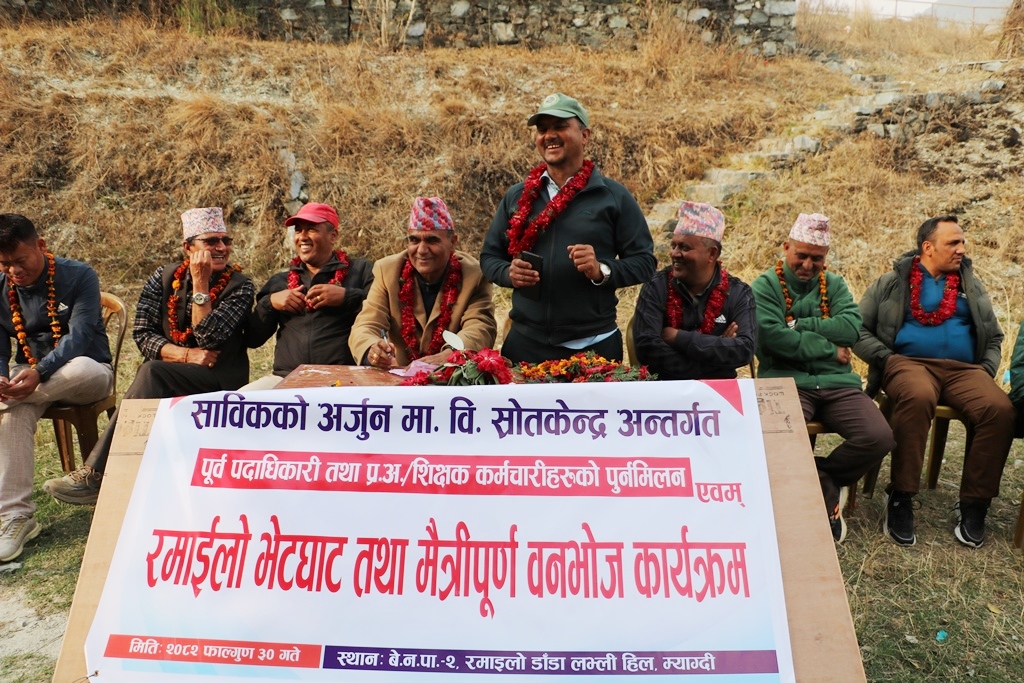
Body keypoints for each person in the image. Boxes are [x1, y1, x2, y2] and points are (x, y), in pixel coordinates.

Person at [43, 207, 254, 505]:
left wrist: (201, 284)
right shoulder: (163, 276)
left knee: (152, 372)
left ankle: (95, 473)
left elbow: (209, 337)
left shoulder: (240, 286)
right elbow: (143, 334)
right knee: (152, 371)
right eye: (211, 241)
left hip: (218, 376)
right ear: (188, 248)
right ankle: (115, 477)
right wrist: (185, 355)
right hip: (170, 370)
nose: (221, 248)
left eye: (225, 241)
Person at [855, 215, 1014, 548]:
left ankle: (974, 503)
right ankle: (901, 496)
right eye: (953, 243)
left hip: (965, 370)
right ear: (928, 247)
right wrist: (886, 359)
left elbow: (994, 335)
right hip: (908, 364)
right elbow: (857, 328)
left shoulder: (971, 285)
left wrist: (985, 369)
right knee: (917, 396)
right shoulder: (892, 282)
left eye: (963, 242)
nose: (962, 249)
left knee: (999, 409)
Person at [480, 93, 656, 364]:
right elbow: (489, 257)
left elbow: (645, 262)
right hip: (525, 346)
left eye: (560, 126)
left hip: (594, 348)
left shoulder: (613, 196)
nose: (549, 135)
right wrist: (508, 273)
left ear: (585, 135)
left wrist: (602, 270)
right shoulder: (517, 196)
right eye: (542, 129)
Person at [752, 214, 894, 543]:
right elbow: (772, 339)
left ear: (825, 257)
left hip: (838, 384)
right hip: (785, 382)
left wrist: (799, 325)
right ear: (786, 248)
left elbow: (851, 329)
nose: (807, 264)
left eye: (816, 258)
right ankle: (815, 501)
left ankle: (822, 476)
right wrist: (829, 349)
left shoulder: (835, 284)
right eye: (800, 255)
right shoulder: (765, 286)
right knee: (777, 440)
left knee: (879, 437)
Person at [0, 214, 114, 560]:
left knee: (78, 367)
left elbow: (79, 337)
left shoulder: (79, 275)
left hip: (86, 372)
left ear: (41, 245)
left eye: (20, 260)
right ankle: (17, 516)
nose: (14, 271)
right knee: (12, 413)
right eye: (5, 264)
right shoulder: (0, 286)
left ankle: (9, 398)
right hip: (28, 379)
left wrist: (40, 371)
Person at [349, 197, 496, 368]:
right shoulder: (387, 271)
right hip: (399, 374)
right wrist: (372, 350)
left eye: (432, 241)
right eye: (414, 240)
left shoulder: (474, 275)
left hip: (453, 375)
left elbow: (480, 327)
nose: (422, 250)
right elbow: (366, 324)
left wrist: (452, 355)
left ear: (452, 242)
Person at [244, 203, 373, 389]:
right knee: (234, 403)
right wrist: (270, 303)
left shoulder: (360, 271)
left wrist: (346, 297)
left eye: (311, 229)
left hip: (345, 379)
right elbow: (253, 339)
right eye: (298, 230)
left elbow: (384, 312)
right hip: (287, 377)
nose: (302, 237)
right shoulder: (280, 282)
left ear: (333, 236)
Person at [632, 201, 755, 380]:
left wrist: (677, 338)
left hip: (719, 392)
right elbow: (647, 349)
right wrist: (718, 357)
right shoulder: (656, 286)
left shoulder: (739, 293)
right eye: (673, 246)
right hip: (666, 389)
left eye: (684, 248)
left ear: (712, 254)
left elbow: (744, 349)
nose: (674, 254)